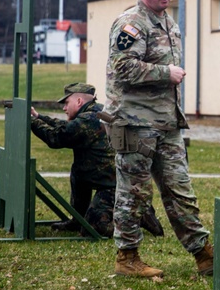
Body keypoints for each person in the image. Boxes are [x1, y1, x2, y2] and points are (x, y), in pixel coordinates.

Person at [104, 0, 214, 278]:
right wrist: (166, 73)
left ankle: (203, 253)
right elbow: (122, 67)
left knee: (180, 189)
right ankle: (127, 257)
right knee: (134, 193)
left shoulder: (168, 22)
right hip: (135, 121)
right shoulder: (131, 23)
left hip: (166, 121)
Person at [30, 82, 164, 238]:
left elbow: (57, 137)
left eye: (66, 103)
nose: (64, 108)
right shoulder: (98, 111)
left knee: (94, 228)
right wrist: (39, 117)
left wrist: (31, 121)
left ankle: (137, 217)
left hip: (113, 185)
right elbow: (66, 127)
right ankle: (78, 219)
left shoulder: (88, 120)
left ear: (79, 101)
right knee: (78, 172)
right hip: (105, 178)